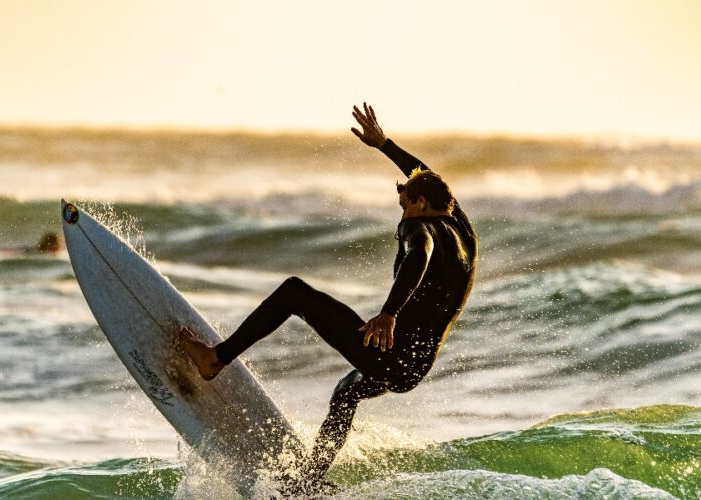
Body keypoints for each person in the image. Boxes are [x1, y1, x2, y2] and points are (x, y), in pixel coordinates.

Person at [176, 103, 478, 493]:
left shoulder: (419, 228)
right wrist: (384, 144)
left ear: (421, 205)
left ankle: (214, 359)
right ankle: (309, 481)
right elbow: (425, 174)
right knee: (346, 393)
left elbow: (419, 255)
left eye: (405, 204)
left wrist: (388, 313)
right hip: (416, 367)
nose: (401, 212)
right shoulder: (461, 230)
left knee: (293, 293)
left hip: (392, 353)